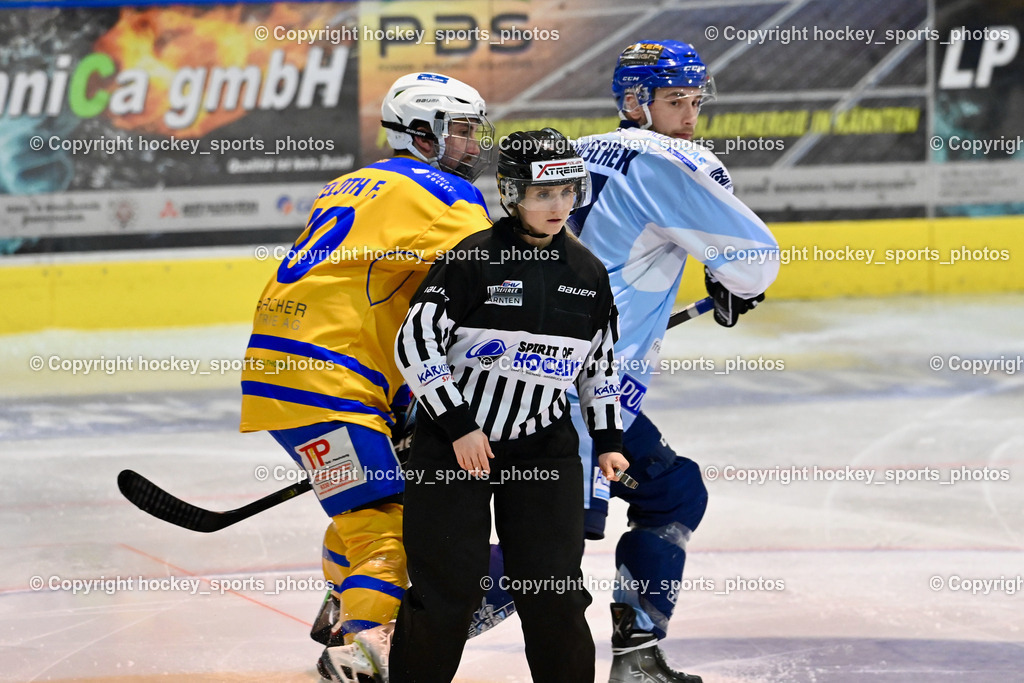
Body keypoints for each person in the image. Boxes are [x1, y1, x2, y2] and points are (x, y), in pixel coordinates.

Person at [237, 71, 494, 680]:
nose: (472, 145)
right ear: (422, 133)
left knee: (364, 508)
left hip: (280, 371)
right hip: (334, 379)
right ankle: (365, 648)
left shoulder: (351, 181)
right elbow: (495, 282)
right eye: (460, 131)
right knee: (390, 529)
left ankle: (343, 597)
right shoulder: (448, 197)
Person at [566, 41, 781, 682]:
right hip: (586, 388)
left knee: (669, 488)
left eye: (693, 102)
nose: (689, 116)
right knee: (547, 544)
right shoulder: (675, 158)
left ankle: (637, 655)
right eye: (674, 101)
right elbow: (753, 259)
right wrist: (733, 281)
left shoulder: (578, 152)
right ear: (637, 103)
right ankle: (395, 633)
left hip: (526, 371)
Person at [389, 129, 630, 683]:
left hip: (545, 447)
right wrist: (458, 425)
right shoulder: (472, 259)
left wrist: (609, 440)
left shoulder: (589, 274)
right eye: (544, 194)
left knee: (555, 597)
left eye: (568, 191)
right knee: (445, 594)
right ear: (513, 193)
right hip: (453, 450)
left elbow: (600, 364)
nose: (558, 205)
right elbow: (415, 342)